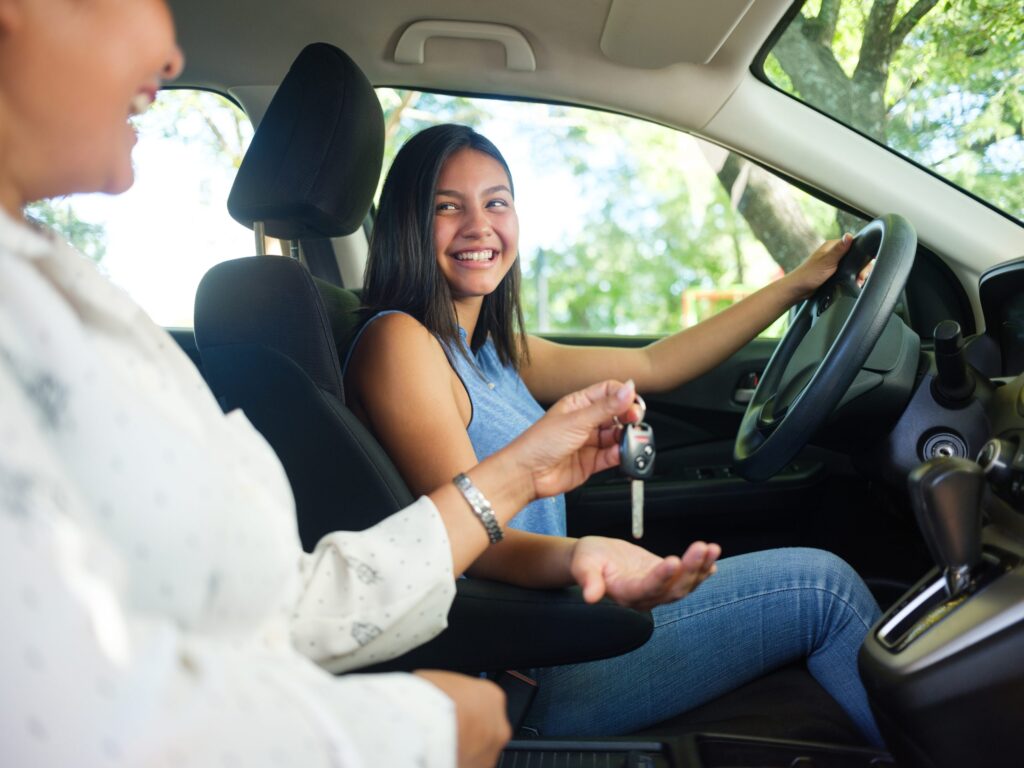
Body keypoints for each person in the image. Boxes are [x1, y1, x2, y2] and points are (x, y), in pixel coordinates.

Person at [0, 3, 721, 767]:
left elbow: (284, 601)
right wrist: (408, 731)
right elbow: (66, 707)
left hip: (428, 667)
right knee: (829, 590)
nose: (169, 50)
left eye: (497, 202)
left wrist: (528, 474)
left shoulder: (63, 290)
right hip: (493, 673)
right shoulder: (34, 321)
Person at [344, 123, 885, 746]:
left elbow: (655, 366)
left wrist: (796, 283)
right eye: (447, 207)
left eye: (496, 202)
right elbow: (473, 544)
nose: (479, 225)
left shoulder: (492, 349)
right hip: (525, 667)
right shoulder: (401, 343)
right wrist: (584, 554)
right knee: (826, 591)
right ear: (408, 225)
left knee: (824, 587)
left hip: (557, 628)